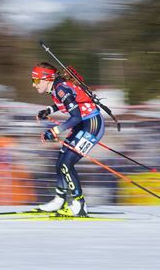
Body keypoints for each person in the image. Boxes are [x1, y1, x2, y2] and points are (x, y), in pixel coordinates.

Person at [32, 62, 105, 216]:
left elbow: (75, 116)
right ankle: (59, 200)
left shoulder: (61, 88)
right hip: (82, 124)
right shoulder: (56, 88)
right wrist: (49, 110)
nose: (34, 84)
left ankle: (79, 205)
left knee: (66, 164)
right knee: (60, 161)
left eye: (36, 80)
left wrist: (55, 131)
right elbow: (65, 103)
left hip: (92, 125)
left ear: (47, 78)